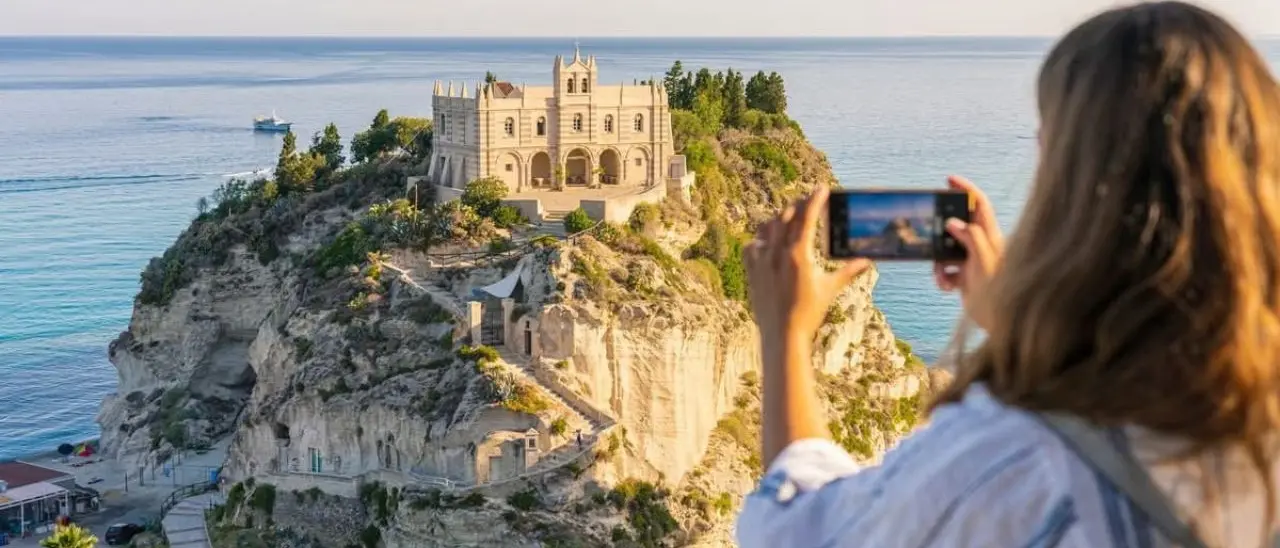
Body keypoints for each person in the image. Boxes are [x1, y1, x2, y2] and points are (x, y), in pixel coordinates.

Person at [736, 2, 1280, 546]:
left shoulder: (1012, 464)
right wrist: (1019, 321)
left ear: (1068, 176)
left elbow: (799, 528)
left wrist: (787, 333)